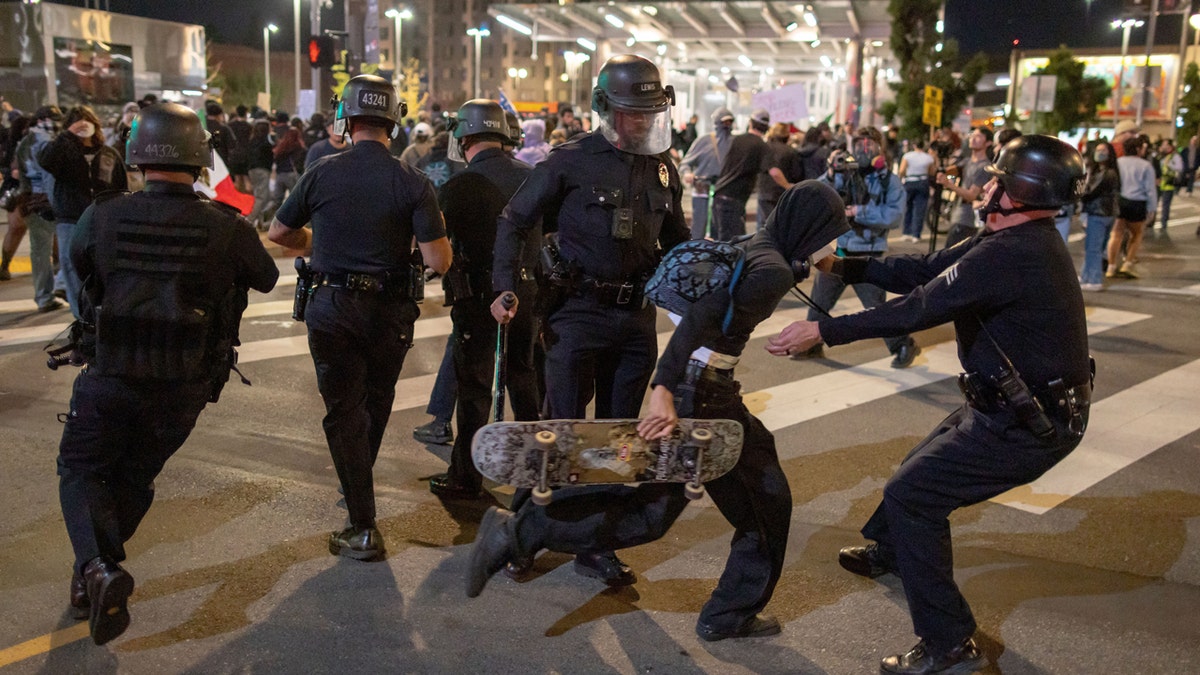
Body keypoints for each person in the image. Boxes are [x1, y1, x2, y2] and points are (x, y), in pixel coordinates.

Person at [765, 135, 1092, 675]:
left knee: (914, 494)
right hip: (1011, 404)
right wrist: (839, 266)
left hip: (1028, 421)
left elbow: (917, 308)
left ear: (1018, 194)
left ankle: (951, 644)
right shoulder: (1010, 238)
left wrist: (822, 329)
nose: (984, 188)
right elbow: (925, 268)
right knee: (920, 463)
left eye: (996, 181)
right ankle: (893, 552)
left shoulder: (1013, 254)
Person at [467, 182, 848, 642]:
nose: (832, 244)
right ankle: (518, 535)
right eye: (829, 232)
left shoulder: (761, 245)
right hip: (704, 397)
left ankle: (521, 534)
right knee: (673, 512)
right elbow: (704, 317)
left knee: (714, 504)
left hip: (705, 391)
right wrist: (663, 387)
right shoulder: (773, 271)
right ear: (809, 228)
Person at [57, 102, 278, 646]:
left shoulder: (103, 215)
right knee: (135, 477)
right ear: (201, 159)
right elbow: (268, 277)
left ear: (137, 157)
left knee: (82, 469)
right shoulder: (223, 225)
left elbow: (80, 271)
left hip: (111, 373)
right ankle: (96, 570)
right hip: (184, 384)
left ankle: (98, 569)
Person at [488, 54, 689, 585]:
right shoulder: (567, 161)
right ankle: (524, 533)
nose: (643, 121)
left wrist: (702, 283)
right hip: (575, 315)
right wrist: (504, 286)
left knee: (619, 442)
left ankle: (595, 544)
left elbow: (678, 243)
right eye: (632, 111)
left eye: (650, 111)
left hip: (635, 321)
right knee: (563, 434)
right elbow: (514, 221)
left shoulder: (663, 166)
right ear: (605, 107)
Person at [268, 74, 452, 561]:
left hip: (332, 310)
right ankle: (358, 492)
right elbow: (439, 262)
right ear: (395, 121)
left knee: (343, 409)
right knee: (375, 402)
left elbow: (279, 233)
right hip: (389, 312)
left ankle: (362, 520)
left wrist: (319, 244)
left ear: (345, 119)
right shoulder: (412, 181)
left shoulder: (322, 172)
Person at [427, 99, 541, 499]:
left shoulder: (458, 185)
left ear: (465, 136)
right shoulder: (532, 177)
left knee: (474, 389)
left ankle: (466, 476)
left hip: (477, 297)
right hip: (527, 293)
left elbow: (439, 245)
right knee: (525, 383)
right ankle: (535, 474)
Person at [794, 127, 918, 368]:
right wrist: (830, 171)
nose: (863, 148)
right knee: (820, 301)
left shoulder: (888, 180)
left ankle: (903, 344)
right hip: (839, 250)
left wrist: (859, 212)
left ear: (879, 148)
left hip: (867, 254)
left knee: (877, 308)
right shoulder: (842, 173)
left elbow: (894, 216)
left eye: (869, 144)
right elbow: (816, 192)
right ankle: (811, 344)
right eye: (858, 143)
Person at [38, 104, 128, 317]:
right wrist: (66, 137)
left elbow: (121, 187)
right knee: (72, 272)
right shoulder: (63, 153)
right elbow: (46, 161)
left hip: (104, 220)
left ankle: (103, 317)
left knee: (105, 270)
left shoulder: (108, 154)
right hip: (70, 221)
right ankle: (81, 321)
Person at [15, 106, 62, 311]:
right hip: (50, 201)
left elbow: (23, 176)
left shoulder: (25, 142)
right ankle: (54, 291)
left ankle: (44, 296)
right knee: (62, 248)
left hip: (32, 201)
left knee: (40, 252)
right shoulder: (50, 141)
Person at [710, 109, 769, 240]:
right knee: (732, 246)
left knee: (719, 244)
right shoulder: (762, 146)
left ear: (751, 123)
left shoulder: (736, 140)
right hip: (733, 202)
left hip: (719, 197)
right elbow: (773, 172)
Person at [678, 107, 734, 239]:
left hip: (724, 191)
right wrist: (687, 174)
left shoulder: (735, 143)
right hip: (702, 188)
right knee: (699, 225)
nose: (727, 125)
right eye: (724, 122)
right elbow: (685, 163)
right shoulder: (704, 141)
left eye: (730, 122)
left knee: (722, 228)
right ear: (717, 122)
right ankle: (697, 252)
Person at [1107, 136, 1155, 279]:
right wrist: (1151, 209)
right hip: (1137, 202)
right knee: (1137, 234)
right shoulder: (1145, 165)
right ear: (1138, 149)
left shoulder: (1118, 162)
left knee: (1116, 234)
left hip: (1120, 201)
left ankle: (1111, 266)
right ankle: (1127, 264)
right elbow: (1150, 189)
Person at [936, 127, 992, 248]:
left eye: (978, 136)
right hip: (958, 213)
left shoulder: (984, 166)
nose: (973, 138)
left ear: (988, 143)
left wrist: (948, 184)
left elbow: (972, 195)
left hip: (967, 218)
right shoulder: (967, 161)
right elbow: (948, 171)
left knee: (951, 256)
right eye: (972, 135)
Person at [1078, 141, 1120, 292]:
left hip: (1099, 213)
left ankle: (1094, 279)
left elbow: (1091, 193)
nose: (1099, 153)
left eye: (1103, 150)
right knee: (1094, 247)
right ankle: (1086, 275)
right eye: (1097, 150)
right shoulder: (1107, 172)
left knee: (1093, 248)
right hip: (1105, 213)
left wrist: (1078, 194)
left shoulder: (1107, 174)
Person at [756, 122, 801, 227]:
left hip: (764, 191)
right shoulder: (790, 151)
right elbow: (796, 173)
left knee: (763, 225)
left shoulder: (764, 148)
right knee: (780, 224)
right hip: (783, 193)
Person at [898, 139, 936, 242]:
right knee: (920, 208)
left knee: (908, 207)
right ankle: (916, 234)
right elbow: (932, 172)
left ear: (914, 145)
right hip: (923, 182)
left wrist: (900, 180)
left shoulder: (907, 156)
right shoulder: (928, 158)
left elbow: (901, 170)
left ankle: (906, 232)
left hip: (910, 181)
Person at [1156, 138, 1183, 229]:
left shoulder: (1174, 156)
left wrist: (1169, 164)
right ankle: (1151, 221)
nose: (1163, 146)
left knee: (1165, 205)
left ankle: (1164, 223)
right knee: (1154, 203)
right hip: (1158, 183)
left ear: (1169, 146)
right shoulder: (1160, 155)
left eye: (1165, 144)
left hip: (1168, 183)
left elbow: (1179, 168)